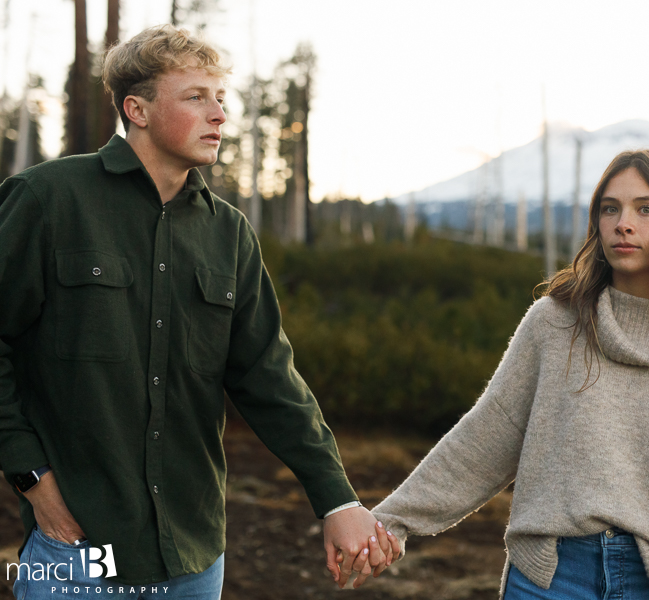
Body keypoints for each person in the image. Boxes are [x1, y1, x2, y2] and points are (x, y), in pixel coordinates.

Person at [0, 25, 386, 599]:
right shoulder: (47, 200)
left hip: (194, 555)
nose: (219, 115)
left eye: (221, 98)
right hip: (74, 549)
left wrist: (337, 498)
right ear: (138, 109)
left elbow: (268, 377)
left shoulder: (229, 233)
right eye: (195, 97)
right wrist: (32, 479)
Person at [365, 149, 649, 599]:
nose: (624, 223)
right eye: (609, 208)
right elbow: (486, 436)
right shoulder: (555, 323)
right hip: (553, 577)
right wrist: (390, 521)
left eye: (646, 209)